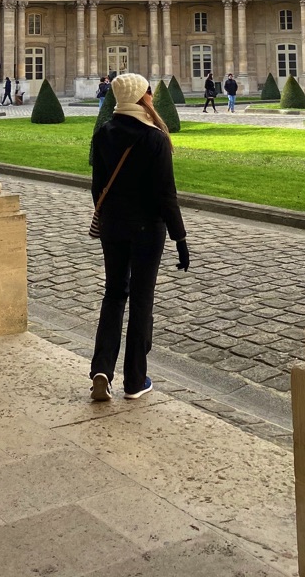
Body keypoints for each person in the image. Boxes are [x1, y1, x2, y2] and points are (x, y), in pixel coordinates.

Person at [89, 73, 188, 402]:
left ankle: (101, 369)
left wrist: (110, 217)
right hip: (147, 228)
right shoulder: (154, 138)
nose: (151, 96)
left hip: (113, 227)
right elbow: (166, 195)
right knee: (142, 300)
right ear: (141, 97)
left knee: (114, 295)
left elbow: (96, 187)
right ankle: (134, 380)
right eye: (148, 92)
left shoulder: (103, 133)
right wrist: (180, 238)